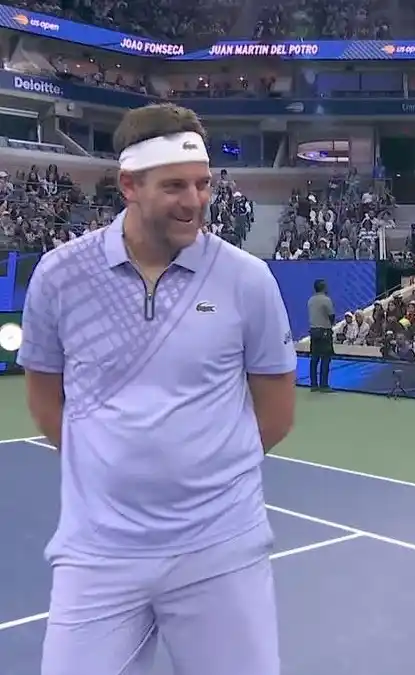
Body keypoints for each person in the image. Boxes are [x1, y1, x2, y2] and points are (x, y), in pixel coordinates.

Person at [17, 103, 297, 675]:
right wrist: (109, 467)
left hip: (221, 550)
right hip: (98, 552)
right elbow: (46, 397)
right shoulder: (59, 274)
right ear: (129, 186)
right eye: (174, 186)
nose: (194, 202)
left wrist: (201, 476)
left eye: (202, 184)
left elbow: (276, 411)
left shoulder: (247, 279)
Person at [307, 278, 335, 390]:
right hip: (324, 331)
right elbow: (331, 315)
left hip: (313, 331)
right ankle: (324, 384)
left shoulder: (310, 300)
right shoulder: (326, 300)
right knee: (325, 358)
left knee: (314, 359)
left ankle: (313, 384)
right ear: (323, 287)